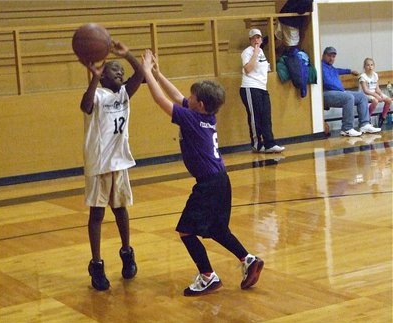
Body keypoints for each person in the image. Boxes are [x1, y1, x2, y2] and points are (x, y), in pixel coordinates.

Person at [141, 49, 264, 296]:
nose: (187, 98)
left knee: (186, 230)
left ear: (201, 104)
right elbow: (176, 96)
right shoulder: (207, 116)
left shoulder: (190, 119)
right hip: (221, 180)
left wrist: (146, 73)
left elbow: (161, 100)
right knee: (218, 229)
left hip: (208, 183)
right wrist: (158, 73)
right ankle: (247, 259)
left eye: (192, 96)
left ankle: (208, 276)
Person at [79, 40, 144, 291]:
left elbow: (140, 73)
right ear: (104, 74)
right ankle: (96, 264)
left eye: (122, 71)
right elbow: (84, 105)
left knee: (121, 210)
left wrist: (128, 54)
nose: (121, 73)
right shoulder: (96, 94)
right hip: (98, 164)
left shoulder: (124, 94)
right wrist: (93, 77)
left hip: (119, 162)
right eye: (115, 69)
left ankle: (127, 253)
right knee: (97, 214)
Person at [240, 29, 285, 153]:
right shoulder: (247, 52)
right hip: (249, 87)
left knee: (266, 116)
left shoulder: (261, 52)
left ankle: (270, 143)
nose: (256, 40)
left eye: (258, 37)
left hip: (262, 87)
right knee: (255, 117)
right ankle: (257, 144)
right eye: (254, 38)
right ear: (250, 40)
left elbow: (265, 68)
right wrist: (254, 52)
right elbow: (248, 69)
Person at [322, 46, 381, 137]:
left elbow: (339, 70)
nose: (331, 58)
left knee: (362, 96)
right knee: (349, 97)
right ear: (324, 55)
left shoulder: (332, 68)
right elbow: (327, 83)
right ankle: (346, 128)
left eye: (333, 56)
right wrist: (342, 91)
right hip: (327, 94)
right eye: (329, 56)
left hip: (339, 93)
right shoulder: (321, 67)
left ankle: (364, 124)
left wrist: (350, 71)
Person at [359, 57, 392, 128]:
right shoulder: (362, 77)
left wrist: (380, 94)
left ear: (373, 66)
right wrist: (376, 95)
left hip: (374, 93)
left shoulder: (375, 75)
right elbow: (365, 90)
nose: (370, 67)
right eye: (368, 65)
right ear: (364, 66)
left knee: (389, 100)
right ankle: (367, 118)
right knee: (375, 101)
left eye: (371, 65)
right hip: (365, 94)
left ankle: (382, 117)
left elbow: (377, 88)